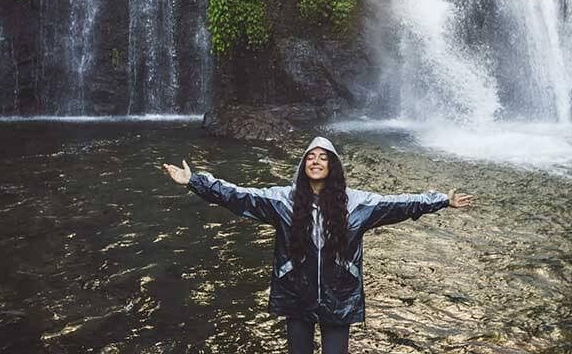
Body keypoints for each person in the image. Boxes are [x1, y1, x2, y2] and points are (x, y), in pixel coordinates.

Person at [163, 136, 472, 354]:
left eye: (323, 157)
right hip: (297, 293)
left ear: (333, 166)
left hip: (340, 296)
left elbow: (400, 204)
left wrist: (442, 200)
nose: (316, 161)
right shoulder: (282, 200)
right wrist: (194, 181)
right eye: (310, 156)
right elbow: (238, 195)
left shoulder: (359, 204)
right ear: (303, 165)